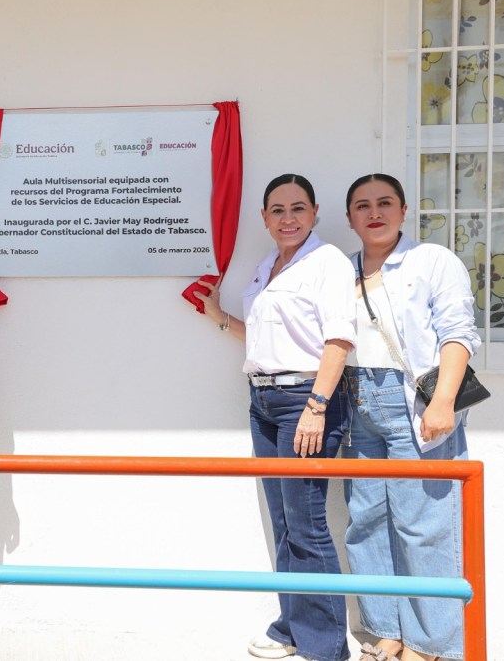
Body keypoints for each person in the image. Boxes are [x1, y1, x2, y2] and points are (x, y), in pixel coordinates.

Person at [194, 174, 355, 661]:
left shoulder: (325, 262)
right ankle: (292, 627)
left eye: (298, 208)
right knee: (285, 522)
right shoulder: (269, 266)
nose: (288, 218)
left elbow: (338, 341)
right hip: (263, 400)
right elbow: (269, 342)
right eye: (278, 210)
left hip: (306, 400)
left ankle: (327, 648)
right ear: (264, 218)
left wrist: (317, 407)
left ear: (315, 213)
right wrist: (219, 317)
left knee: (307, 525)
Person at [341, 174, 476, 661]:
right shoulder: (343, 270)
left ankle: (432, 643)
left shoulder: (432, 260)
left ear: (402, 210)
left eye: (384, 203)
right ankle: (385, 630)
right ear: (350, 217)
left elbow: (458, 333)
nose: (374, 212)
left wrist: (443, 401)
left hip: (413, 402)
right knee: (366, 522)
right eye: (362, 205)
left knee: (423, 525)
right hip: (357, 402)